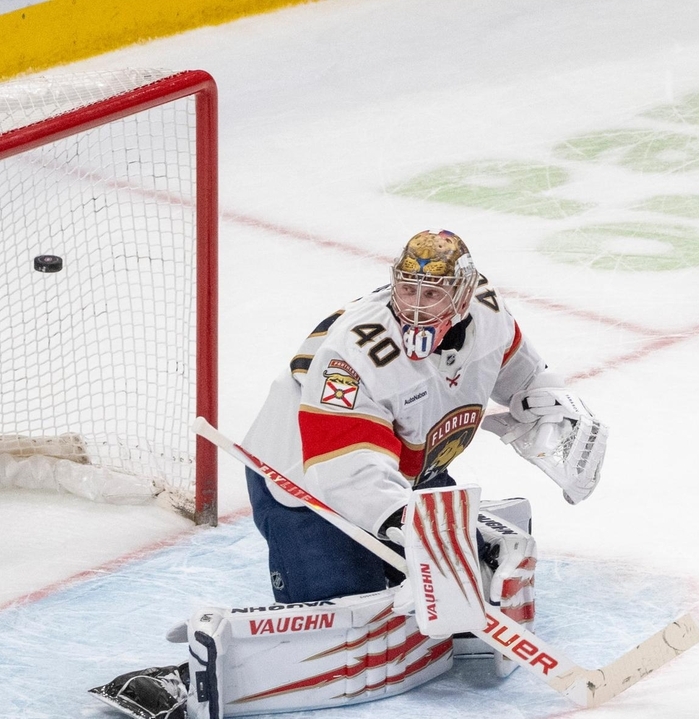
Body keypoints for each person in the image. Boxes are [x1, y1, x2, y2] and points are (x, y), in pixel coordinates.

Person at [90, 229, 608, 719]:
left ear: (466, 292)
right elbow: (346, 475)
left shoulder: (489, 310)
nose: (416, 305)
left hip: (410, 466)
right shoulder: (356, 353)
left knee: (458, 578)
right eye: (408, 289)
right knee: (354, 625)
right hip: (307, 484)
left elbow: (521, 372)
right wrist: (416, 535)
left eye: (433, 293)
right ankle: (187, 678)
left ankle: (439, 555)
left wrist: (546, 405)